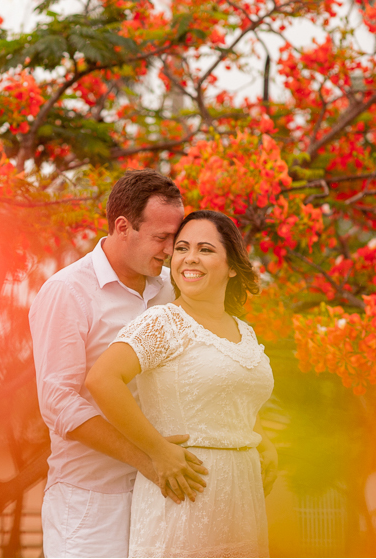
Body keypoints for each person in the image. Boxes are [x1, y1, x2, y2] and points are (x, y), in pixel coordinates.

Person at [29, 170, 208, 558]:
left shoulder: (172, 290)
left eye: (175, 238)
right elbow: (58, 404)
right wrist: (149, 458)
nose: (170, 250)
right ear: (123, 227)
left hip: (163, 496)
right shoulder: (67, 291)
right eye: (161, 238)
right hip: (90, 503)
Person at [87, 210, 279, 558]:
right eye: (182, 248)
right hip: (184, 496)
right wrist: (158, 452)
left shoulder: (244, 331)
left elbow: (232, 395)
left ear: (232, 266)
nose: (190, 258)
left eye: (205, 249)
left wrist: (260, 438)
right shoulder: (163, 322)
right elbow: (102, 380)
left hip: (243, 498)